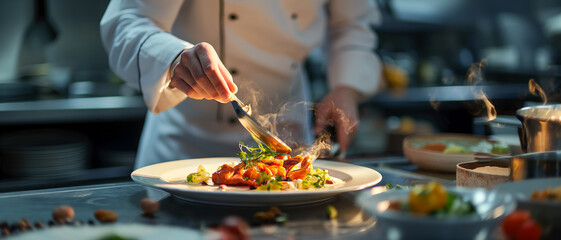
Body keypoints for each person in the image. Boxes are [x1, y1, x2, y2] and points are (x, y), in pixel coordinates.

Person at [100, 0, 383, 169]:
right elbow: (128, 20)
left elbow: (352, 23)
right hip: (186, 146)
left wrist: (347, 87)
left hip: (289, 141)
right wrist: (173, 58)